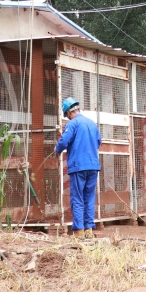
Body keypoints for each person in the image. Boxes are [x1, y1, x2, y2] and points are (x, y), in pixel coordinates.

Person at [55, 97, 102, 238]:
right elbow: (99, 142)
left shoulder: (73, 124)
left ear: (69, 112)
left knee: (77, 198)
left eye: (67, 115)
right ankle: (89, 229)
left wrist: (57, 149)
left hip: (78, 167)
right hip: (93, 166)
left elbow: (64, 142)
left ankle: (79, 231)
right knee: (89, 197)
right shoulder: (92, 124)